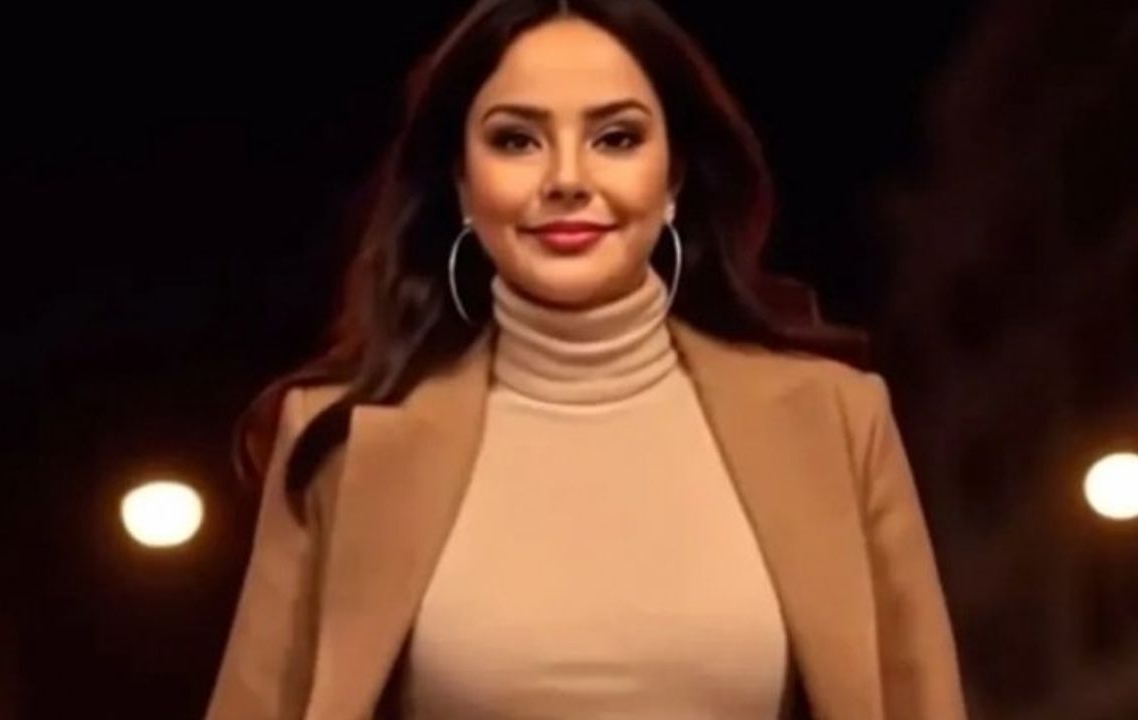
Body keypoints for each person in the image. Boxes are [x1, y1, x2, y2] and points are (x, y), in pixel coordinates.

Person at [205, 0, 967, 718]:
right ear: (462, 185)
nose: (567, 179)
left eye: (616, 138)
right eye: (516, 140)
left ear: (673, 177)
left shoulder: (836, 419)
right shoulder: (344, 441)